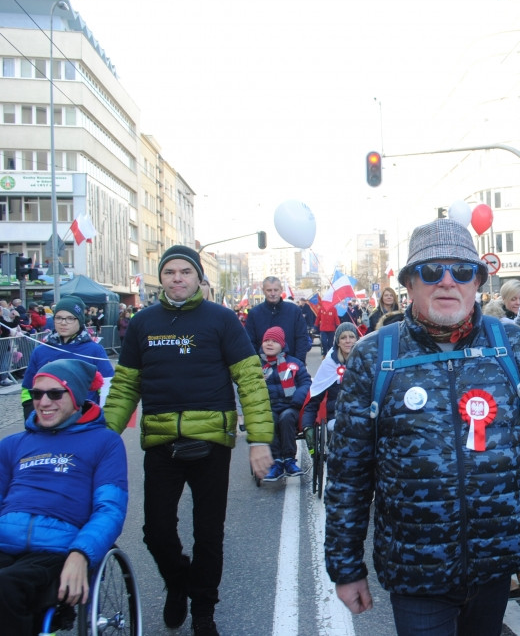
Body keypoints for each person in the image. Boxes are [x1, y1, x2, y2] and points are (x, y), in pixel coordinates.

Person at [324, 219, 520, 636]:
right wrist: (346, 568)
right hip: (415, 570)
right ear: (410, 284)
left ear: (478, 283)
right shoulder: (372, 355)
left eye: (463, 271)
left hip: (495, 565)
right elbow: (348, 475)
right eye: (432, 271)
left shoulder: (512, 346)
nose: (448, 282)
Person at [103, 245, 274, 636]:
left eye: (185, 272)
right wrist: (102, 439)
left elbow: (249, 380)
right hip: (161, 442)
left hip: (211, 443)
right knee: (156, 532)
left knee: (208, 535)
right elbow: (125, 386)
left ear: (199, 278)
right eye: (170, 273)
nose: (177, 278)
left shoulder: (222, 319)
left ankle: (203, 611)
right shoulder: (143, 323)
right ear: (160, 278)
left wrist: (260, 440)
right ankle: (178, 581)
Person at [0, 359, 127, 636]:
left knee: (6, 586)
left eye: (55, 393)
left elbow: (110, 509)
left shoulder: (105, 443)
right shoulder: (12, 445)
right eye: (37, 393)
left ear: (77, 397)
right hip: (5, 542)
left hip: (57, 550)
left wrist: (81, 553)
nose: (44, 402)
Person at [19, 296, 114, 421]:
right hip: (49, 420)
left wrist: (104, 420)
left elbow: (108, 386)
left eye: (70, 318)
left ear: (79, 320)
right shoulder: (40, 351)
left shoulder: (94, 350)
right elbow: (28, 388)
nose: (63, 323)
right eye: (59, 318)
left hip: (84, 420)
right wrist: (31, 416)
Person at [259, 326, 311, 482]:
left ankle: (289, 459)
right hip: (268, 407)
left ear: (282, 344)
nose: (269, 344)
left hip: (290, 406)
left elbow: (306, 383)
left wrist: (297, 398)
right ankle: (276, 462)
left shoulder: (294, 364)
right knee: (270, 420)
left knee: (286, 418)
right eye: (266, 340)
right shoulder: (257, 366)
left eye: (274, 341)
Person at [244, 276, 312, 363]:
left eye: (275, 290)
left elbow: (301, 338)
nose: (272, 293)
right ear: (263, 290)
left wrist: (298, 363)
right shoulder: (254, 313)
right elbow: (250, 342)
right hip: (263, 368)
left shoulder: (294, 311)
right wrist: (258, 365)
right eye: (269, 290)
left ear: (281, 290)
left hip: (291, 366)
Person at [308, 322, 358, 432]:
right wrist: (307, 425)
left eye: (352, 337)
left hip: (360, 415)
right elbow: (315, 396)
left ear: (357, 340)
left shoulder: (365, 362)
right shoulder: (329, 364)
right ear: (338, 342)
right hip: (336, 415)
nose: (348, 341)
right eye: (343, 337)